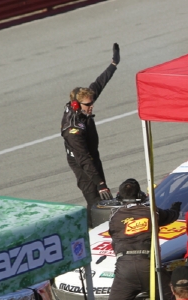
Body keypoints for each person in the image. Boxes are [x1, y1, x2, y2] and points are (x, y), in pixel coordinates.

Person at [98, 178, 181, 300]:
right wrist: (176, 207)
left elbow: (114, 235)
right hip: (147, 265)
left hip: (124, 268)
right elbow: (172, 216)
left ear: (120, 197)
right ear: (141, 195)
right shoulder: (151, 212)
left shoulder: (114, 216)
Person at [61, 43, 120, 228]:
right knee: (95, 200)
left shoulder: (81, 105)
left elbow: (99, 84)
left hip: (91, 155)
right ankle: (91, 231)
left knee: (103, 199)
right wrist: (100, 183)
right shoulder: (73, 130)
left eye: (92, 102)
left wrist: (113, 65)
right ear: (76, 105)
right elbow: (84, 160)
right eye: (88, 104)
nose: (91, 106)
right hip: (81, 162)